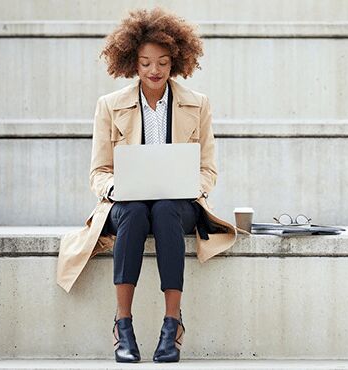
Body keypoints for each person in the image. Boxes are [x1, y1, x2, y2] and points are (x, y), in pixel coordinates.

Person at [55, 6, 240, 364]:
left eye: (163, 62)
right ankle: (122, 324)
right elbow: (99, 172)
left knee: (167, 209)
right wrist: (115, 188)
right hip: (125, 205)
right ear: (131, 63)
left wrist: (192, 185)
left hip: (179, 204)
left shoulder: (197, 104)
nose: (154, 70)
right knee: (136, 211)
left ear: (176, 62)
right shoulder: (109, 106)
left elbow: (208, 169)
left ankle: (172, 324)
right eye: (145, 63)